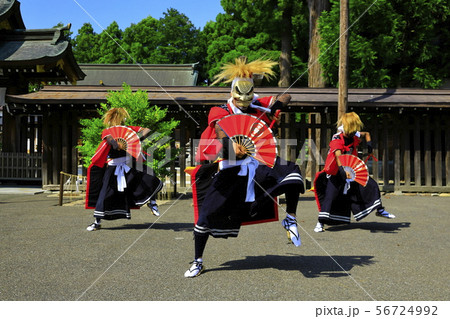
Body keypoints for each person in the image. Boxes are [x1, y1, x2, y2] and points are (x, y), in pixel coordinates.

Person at [184, 57, 305, 278]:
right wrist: (231, 145)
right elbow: (221, 130)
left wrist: (277, 104)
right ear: (232, 94)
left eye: (248, 100)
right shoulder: (219, 111)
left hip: (257, 164)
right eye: (241, 100)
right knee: (205, 216)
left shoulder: (257, 105)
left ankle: (291, 218)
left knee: (292, 174)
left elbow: (286, 96)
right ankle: (198, 260)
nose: (244, 104)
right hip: (229, 167)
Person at [313, 112, 395, 233]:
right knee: (331, 196)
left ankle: (379, 209)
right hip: (337, 171)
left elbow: (366, 134)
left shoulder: (353, 134)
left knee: (370, 184)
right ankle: (320, 222)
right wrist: (343, 170)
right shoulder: (337, 137)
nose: (354, 132)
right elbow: (338, 155)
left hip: (352, 170)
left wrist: (370, 147)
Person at [85, 107, 163, 231]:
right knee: (105, 194)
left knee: (148, 176)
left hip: (129, 166)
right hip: (113, 168)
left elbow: (147, 130)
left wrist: (136, 139)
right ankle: (97, 222)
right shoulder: (107, 132)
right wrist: (117, 145)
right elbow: (110, 140)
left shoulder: (128, 130)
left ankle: (152, 202)